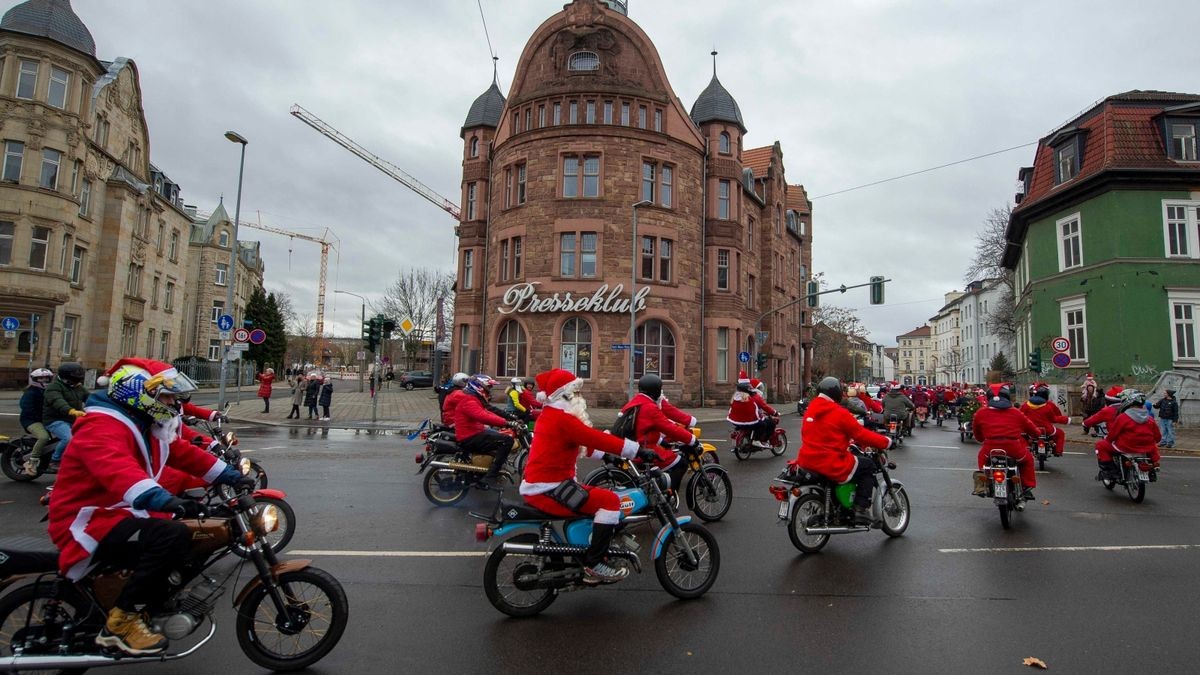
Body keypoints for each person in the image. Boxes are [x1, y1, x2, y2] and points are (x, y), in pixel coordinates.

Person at [48, 358, 253, 656]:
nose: (173, 402)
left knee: (187, 538)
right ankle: (121, 623)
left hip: (117, 511)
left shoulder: (142, 423)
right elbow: (118, 470)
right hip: (88, 519)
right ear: (139, 394)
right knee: (171, 535)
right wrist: (165, 500)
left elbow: (180, 451)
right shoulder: (101, 426)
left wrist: (230, 475)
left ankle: (152, 602)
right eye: (167, 396)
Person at [520, 368, 654, 584]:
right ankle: (594, 563)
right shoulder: (563, 419)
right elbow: (592, 437)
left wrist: (608, 457)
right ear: (566, 395)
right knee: (610, 501)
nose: (581, 397)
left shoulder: (553, 415)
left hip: (545, 484)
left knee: (595, 499)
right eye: (577, 392)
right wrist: (636, 450)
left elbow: (581, 442)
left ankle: (589, 549)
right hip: (547, 488)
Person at [793, 376, 893, 525]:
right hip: (829, 461)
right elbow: (860, 434)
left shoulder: (811, 409)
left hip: (806, 460)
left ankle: (839, 507)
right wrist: (886, 442)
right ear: (837, 393)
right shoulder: (838, 412)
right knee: (868, 466)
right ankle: (861, 509)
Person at [618, 374, 697, 491]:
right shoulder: (650, 407)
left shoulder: (633, 403)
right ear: (655, 391)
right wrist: (692, 439)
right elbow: (669, 428)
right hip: (645, 450)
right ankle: (670, 495)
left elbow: (643, 428)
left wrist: (662, 441)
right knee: (681, 463)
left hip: (632, 448)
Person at [971, 385, 1042, 500]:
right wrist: (1037, 434)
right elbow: (1031, 428)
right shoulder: (1015, 412)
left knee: (982, 459)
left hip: (990, 448)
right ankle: (1027, 487)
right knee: (1027, 460)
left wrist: (981, 439)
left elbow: (977, 433)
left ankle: (983, 484)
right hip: (1013, 448)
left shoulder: (981, 413)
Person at [455, 374, 520, 486]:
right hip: (469, 436)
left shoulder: (473, 398)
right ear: (480, 387)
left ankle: (488, 467)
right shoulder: (469, 400)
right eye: (489, 387)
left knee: (498, 436)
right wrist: (506, 422)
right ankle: (491, 476)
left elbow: (487, 412)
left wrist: (506, 420)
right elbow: (483, 416)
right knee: (507, 441)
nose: (490, 390)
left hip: (474, 431)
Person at [1097, 391, 1162, 479]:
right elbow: (1158, 438)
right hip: (1146, 448)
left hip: (1126, 447)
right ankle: (1153, 467)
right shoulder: (1150, 419)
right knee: (1153, 446)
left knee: (1100, 445)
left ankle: (1110, 471)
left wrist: (1108, 440)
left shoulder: (1123, 417)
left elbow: (1112, 435)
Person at [43, 361, 88, 472]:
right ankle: (55, 461)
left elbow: (90, 398)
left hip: (72, 419)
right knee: (68, 438)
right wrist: (71, 410)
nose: (77, 382)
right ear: (66, 377)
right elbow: (57, 400)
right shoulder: (54, 387)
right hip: (55, 420)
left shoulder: (77, 387)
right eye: (75, 379)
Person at [726, 370, 779, 448]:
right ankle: (757, 440)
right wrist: (775, 412)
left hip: (737, 421)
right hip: (749, 421)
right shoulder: (754, 397)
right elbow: (765, 407)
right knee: (768, 424)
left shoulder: (736, 396)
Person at [19, 368, 55, 476]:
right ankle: (32, 462)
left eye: (46, 378)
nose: (44, 380)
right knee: (44, 437)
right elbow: (26, 407)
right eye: (40, 378)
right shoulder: (31, 392)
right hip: (31, 420)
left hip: (45, 419)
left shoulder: (48, 391)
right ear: (35, 379)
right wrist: (42, 416)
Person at [1020, 384, 1068, 456]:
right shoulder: (1048, 406)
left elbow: (1021, 417)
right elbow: (1054, 418)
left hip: (1031, 429)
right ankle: (1058, 451)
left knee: (1021, 435)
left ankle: (1026, 448)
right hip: (1046, 429)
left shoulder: (1026, 405)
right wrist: (1065, 420)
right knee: (1060, 433)